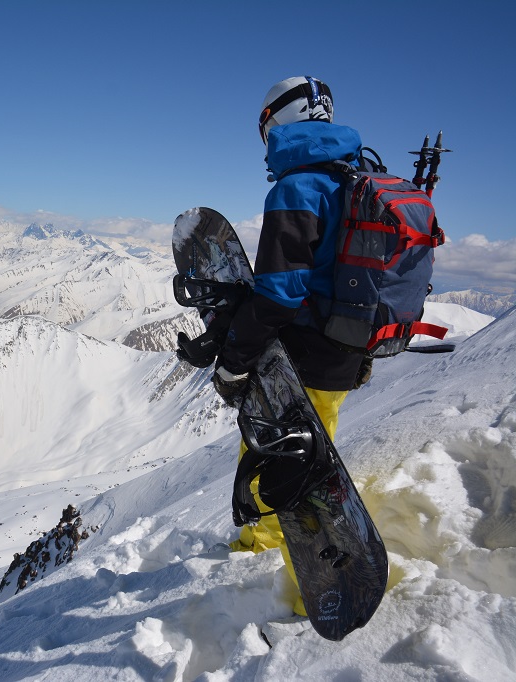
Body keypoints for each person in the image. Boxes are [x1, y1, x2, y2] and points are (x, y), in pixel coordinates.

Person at [211, 76, 371, 617]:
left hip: (301, 357)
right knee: (299, 455)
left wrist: (235, 360)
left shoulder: (297, 188)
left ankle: (315, 594)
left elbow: (278, 296)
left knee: (288, 469)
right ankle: (260, 545)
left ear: (278, 120)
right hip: (345, 353)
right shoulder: (357, 177)